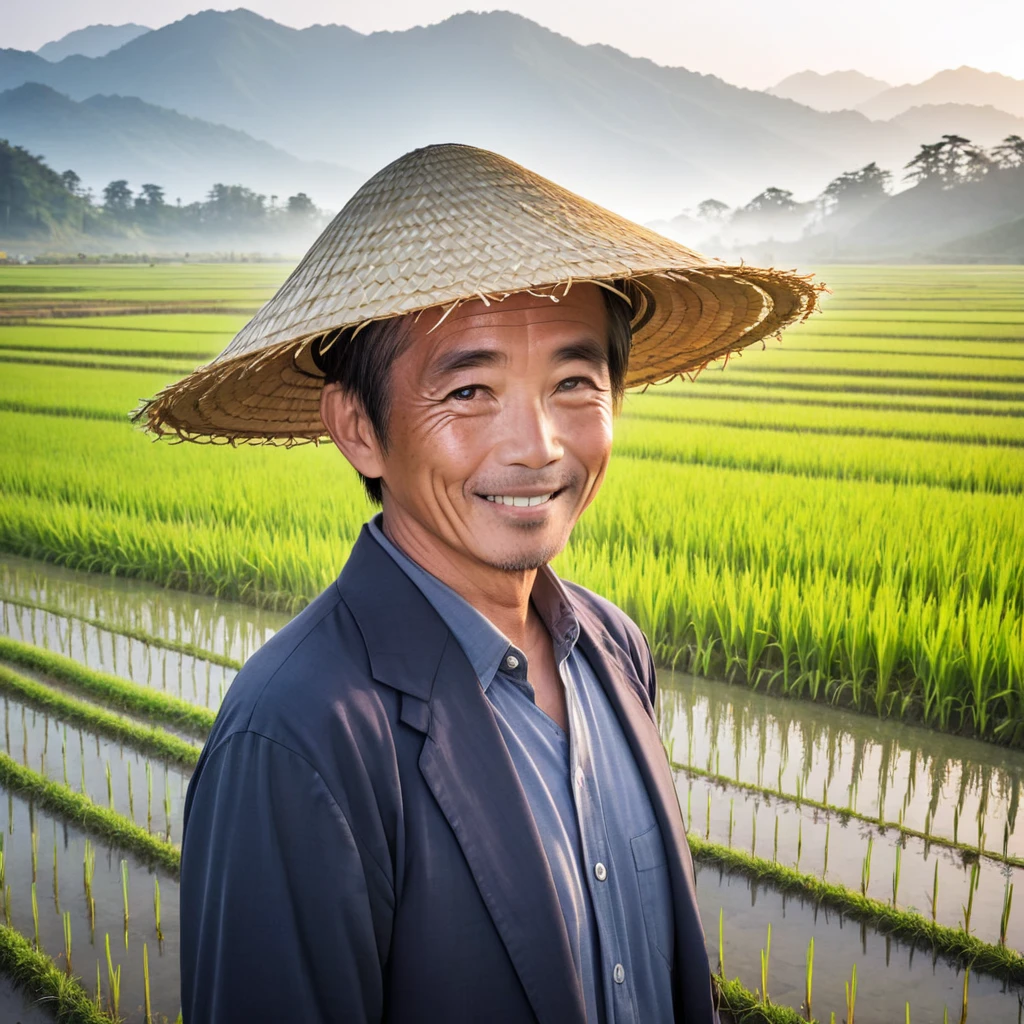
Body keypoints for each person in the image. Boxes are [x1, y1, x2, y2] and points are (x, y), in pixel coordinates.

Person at [135, 143, 822, 1023]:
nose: (536, 445)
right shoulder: (298, 734)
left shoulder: (610, 648)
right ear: (359, 429)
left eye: (574, 382)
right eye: (469, 393)